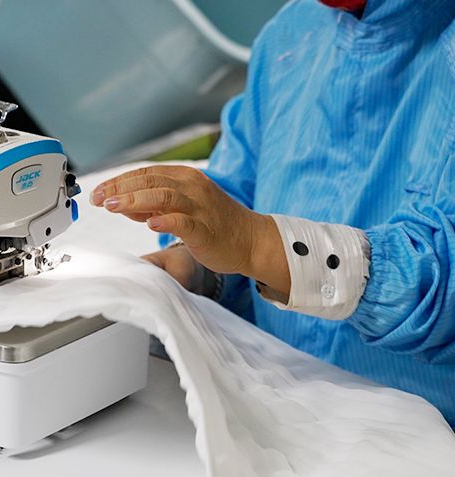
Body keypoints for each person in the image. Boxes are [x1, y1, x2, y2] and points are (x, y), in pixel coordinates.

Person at [91, 0, 455, 426]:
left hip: (419, 436)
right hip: (277, 402)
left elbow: (440, 286)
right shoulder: (293, 34)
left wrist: (256, 243)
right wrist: (197, 267)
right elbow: (239, 193)